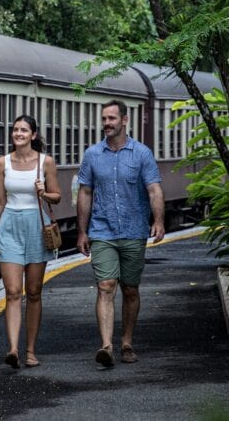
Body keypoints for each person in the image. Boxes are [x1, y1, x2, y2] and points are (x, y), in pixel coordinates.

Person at [76, 99, 165, 368]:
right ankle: (106, 345)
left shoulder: (142, 154)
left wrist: (158, 220)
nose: (107, 123)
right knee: (105, 286)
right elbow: (85, 192)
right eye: (104, 118)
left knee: (130, 289)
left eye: (112, 118)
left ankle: (127, 342)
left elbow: (154, 189)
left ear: (125, 120)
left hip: (133, 230)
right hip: (102, 230)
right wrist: (82, 231)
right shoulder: (92, 154)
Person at [0, 115, 61, 369]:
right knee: (13, 292)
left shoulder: (45, 162)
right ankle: (13, 349)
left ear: (34, 135)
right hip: (9, 226)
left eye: (24, 130)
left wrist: (43, 192)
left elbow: (57, 197)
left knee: (34, 292)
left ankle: (30, 350)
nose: (18, 134)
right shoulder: (2, 162)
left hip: (35, 226)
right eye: (15, 130)